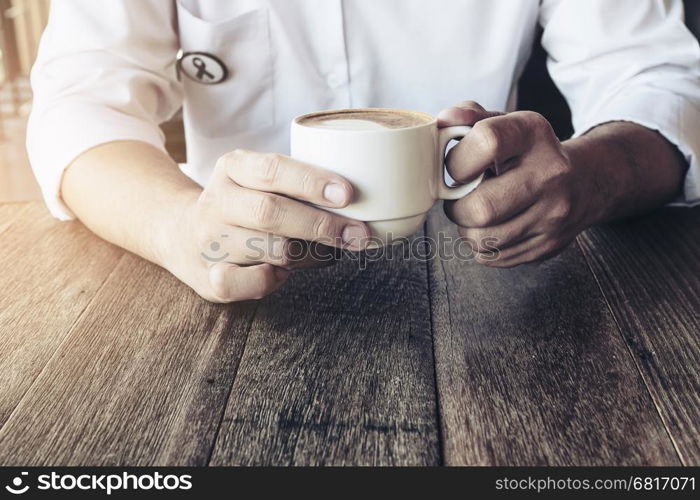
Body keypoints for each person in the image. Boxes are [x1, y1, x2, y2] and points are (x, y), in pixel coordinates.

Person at [28, 0, 700, 303]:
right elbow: (78, 100)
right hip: (235, 275)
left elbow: (658, 76)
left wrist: (594, 175)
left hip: (488, 280)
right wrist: (177, 225)